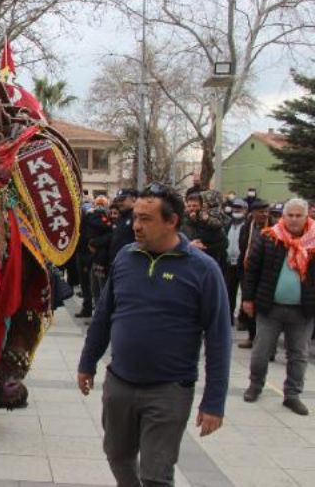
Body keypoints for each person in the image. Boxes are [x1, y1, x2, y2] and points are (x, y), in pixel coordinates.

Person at [77, 183, 231, 487]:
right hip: (120, 382)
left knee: (155, 475)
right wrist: (87, 362)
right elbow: (104, 315)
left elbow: (218, 338)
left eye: (146, 219)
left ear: (171, 221)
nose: (136, 226)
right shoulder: (125, 257)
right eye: (135, 217)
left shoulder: (203, 269)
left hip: (169, 390)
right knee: (117, 455)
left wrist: (214, 401)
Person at [242, 198, 315, 416]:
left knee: (298, 355)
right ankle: (255, 385)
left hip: (302, 311)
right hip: (269, 308)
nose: (293, 219)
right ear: (283, 216)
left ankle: (292, 395)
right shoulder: (268, 237)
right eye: (289, 215)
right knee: (261, 351)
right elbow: (251, 270)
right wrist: (247, 298)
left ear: (306, 217)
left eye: (298, 215)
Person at [237, 199, 270, 347]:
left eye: (266, 211)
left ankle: (268, 344)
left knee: (265, 308)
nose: (264, 214)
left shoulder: (274, 227)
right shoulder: (247, 227)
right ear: (253, 213)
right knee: (249, 304)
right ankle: (252, 336)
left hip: (267, 272)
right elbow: (242, 246)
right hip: (248, 270)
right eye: (261, 212)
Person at [224, 199, 248, 324]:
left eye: (239, 207)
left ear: (245, 210)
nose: (236, 210)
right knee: (229, 291)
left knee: (245, 292)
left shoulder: (248, 225)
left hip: (243, 264)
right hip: (229, 263)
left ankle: (243, 320)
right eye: (234, 207)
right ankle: (229, 318)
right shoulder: (228, 223)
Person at [108, 188, 137, 268]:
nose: (119, 203)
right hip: (116, 262)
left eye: (122, 200)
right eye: (118, 200)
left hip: (130, 264)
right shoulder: (121, 217)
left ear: (133, 199)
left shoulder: (136, 216)